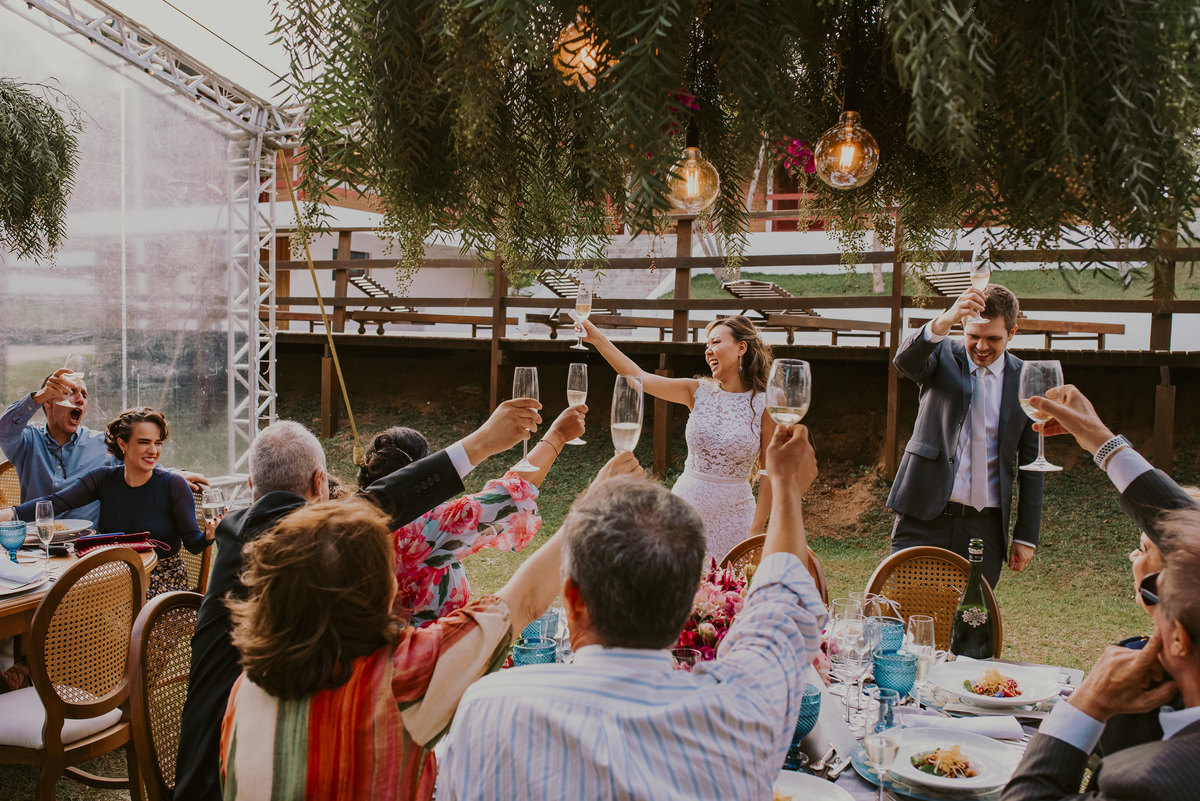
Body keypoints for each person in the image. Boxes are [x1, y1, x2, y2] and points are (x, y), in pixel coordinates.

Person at [174, 399, 546, 801]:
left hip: (214, 764)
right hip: (235, 780)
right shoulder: (290, 541)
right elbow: (366, 509)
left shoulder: (235, 529)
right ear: (320, 482)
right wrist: (480, 442)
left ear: (251, 485)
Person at [439, 423, 826, 801]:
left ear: (572, 598)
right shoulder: (740, 715)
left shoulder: (487, 711)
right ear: (688, 603)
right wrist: (786, 488)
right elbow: (781, 606)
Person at [1000, 511, 1200, 801]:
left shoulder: (1151, 784)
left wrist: (1086, 704)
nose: (1133, 558)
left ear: (1179, 637)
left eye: (1144, 549)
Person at [358, 405, 586, 624]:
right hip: (427, 649)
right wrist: (557, 436)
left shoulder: (358, 521)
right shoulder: (417, 531)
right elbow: (506, 497)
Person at [578, 314, 774, 557]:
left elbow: (768, 474)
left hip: (736, 520)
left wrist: (755, 531)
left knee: (727, 582)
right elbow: (639, 378)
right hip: (684, 512)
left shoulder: (765, 404)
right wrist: (597, 338)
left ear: (741, 347)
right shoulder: (697, 391)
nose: (708, 351)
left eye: (715, 342)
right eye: (707, 345)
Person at [887, 284, 1043, 586]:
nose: (981, 346)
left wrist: (1025, 536)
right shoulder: (941, 353)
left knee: (973, 613)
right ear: (962, 326)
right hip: (922, 518)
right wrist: (944, 319)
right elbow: (904, 361)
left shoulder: (1028, 378)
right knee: (907, 608)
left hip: (984, 527)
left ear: (1012, 333)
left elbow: (1032, 465)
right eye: (973, 336)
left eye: (993, 338)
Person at [2, 407, 204, 596]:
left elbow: (195, 544)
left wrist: (212, 531)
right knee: (63, 605)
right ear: (122, 444)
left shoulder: (173, 484)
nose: (153, 450)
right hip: (113, 580)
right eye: (144, 442)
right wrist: (9, 515)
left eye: (158, 443)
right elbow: (57, 502)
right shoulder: (103, 479)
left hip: (161, 585)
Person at [0, 368, 208, 524]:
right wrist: (39, 396)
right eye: (71, 391)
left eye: (84, 395)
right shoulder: (27, 441)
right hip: (35, 545)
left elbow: (138, 464)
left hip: (86, 552)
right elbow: (4, 430)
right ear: (49, 402)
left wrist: (174, 475)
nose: (80, 399)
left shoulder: (103, 445)